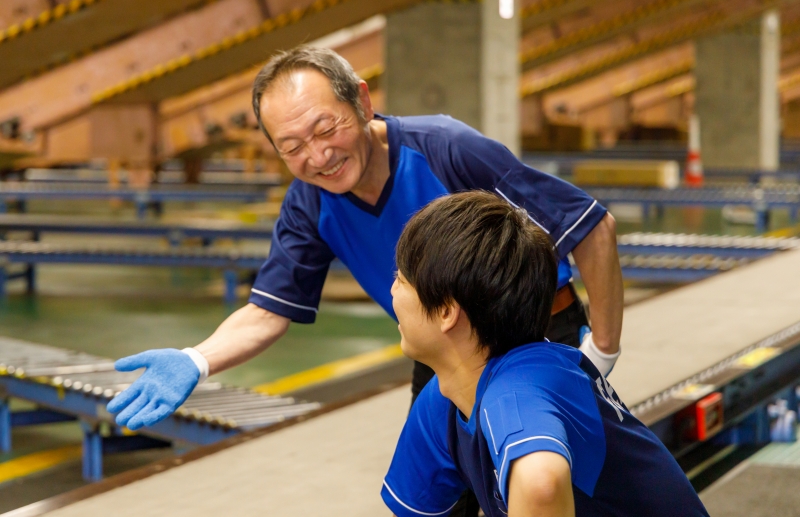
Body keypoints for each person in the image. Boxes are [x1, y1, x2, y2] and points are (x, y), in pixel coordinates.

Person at [107, 46, 621, 447]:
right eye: (292, 148)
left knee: (551, 480)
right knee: (436, 492)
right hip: (439, 352)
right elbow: (267, 311)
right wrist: (195, 360)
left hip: (537, 335)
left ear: (363, 100)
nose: (318, 156)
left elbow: (590, 227)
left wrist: (600, 350)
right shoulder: (309, 204)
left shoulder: (446, 150)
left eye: (325, 128)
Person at [382, 190, 708, 517]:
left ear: (446, 312)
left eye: (401, 279)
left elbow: (541, 484)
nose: (392, 290)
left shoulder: (518, 391)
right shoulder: (444, 401)